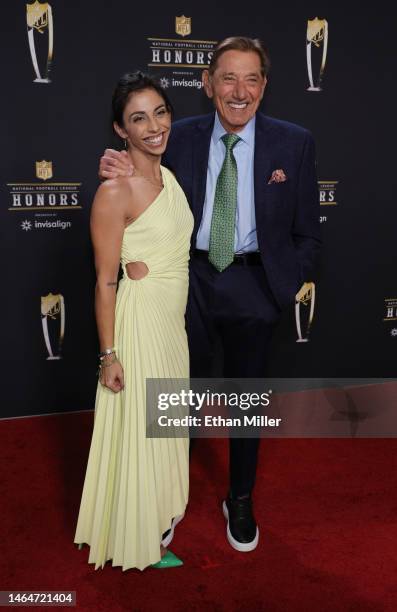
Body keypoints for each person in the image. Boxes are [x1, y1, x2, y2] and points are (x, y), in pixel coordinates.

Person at [99, 37, 321, 553]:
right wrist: (114, 168)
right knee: (179, 400)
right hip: (187, 282)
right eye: (227, 78)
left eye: (251, 79)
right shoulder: (179, 136)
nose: (239, 91)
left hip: (254, 286)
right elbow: (135, 167)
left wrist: (280, 284)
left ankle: (239, 498)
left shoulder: (296, 142)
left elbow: (310, 233)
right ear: (207, 84)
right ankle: (162, 498)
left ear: (265, 86)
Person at [74, 72, 194, 571]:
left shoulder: (170, 177)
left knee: (165, 426)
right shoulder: (113, 193)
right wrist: (109, 354)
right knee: (141, 431)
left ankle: (158, 520)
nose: (153, 126)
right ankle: (136, 533)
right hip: (139, 324)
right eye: (138, 118)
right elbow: (105, 281)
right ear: (119, 130)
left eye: (160, 112)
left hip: (172, 325)